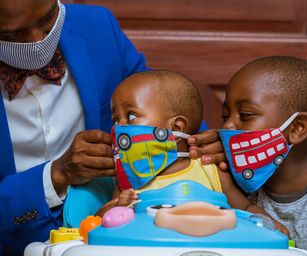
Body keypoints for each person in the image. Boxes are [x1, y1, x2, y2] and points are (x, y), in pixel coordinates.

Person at [0, 1, 223, 255]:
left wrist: (203, 147)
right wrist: (55, 175)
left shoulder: (97, 26)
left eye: (47, 20)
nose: (37, 43)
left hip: (116, 239)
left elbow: (163, 104)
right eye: (14, 34)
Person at [95, 70, 289, 237]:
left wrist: (269, 224)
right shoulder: (129, 181)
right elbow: (105, 221)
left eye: (130, 117)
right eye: (115, 119)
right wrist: (115, 208)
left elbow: (245, 209)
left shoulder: (210, 170)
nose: (118, 127)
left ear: (176, 127)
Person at [220, 56, 307, 256]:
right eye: (225, 116)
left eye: (245, 115)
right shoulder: (226, 171)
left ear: (297, 127)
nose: (227, 126)